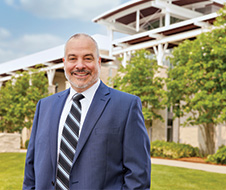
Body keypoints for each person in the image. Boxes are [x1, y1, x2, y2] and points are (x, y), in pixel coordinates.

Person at [23, 33, 151, 190]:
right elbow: (31, 171)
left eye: (88, 58)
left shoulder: (126, 106)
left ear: (98, 62)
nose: (80, 65)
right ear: (64, 63)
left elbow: (138, 178)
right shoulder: (44, 106)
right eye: (72, 58)